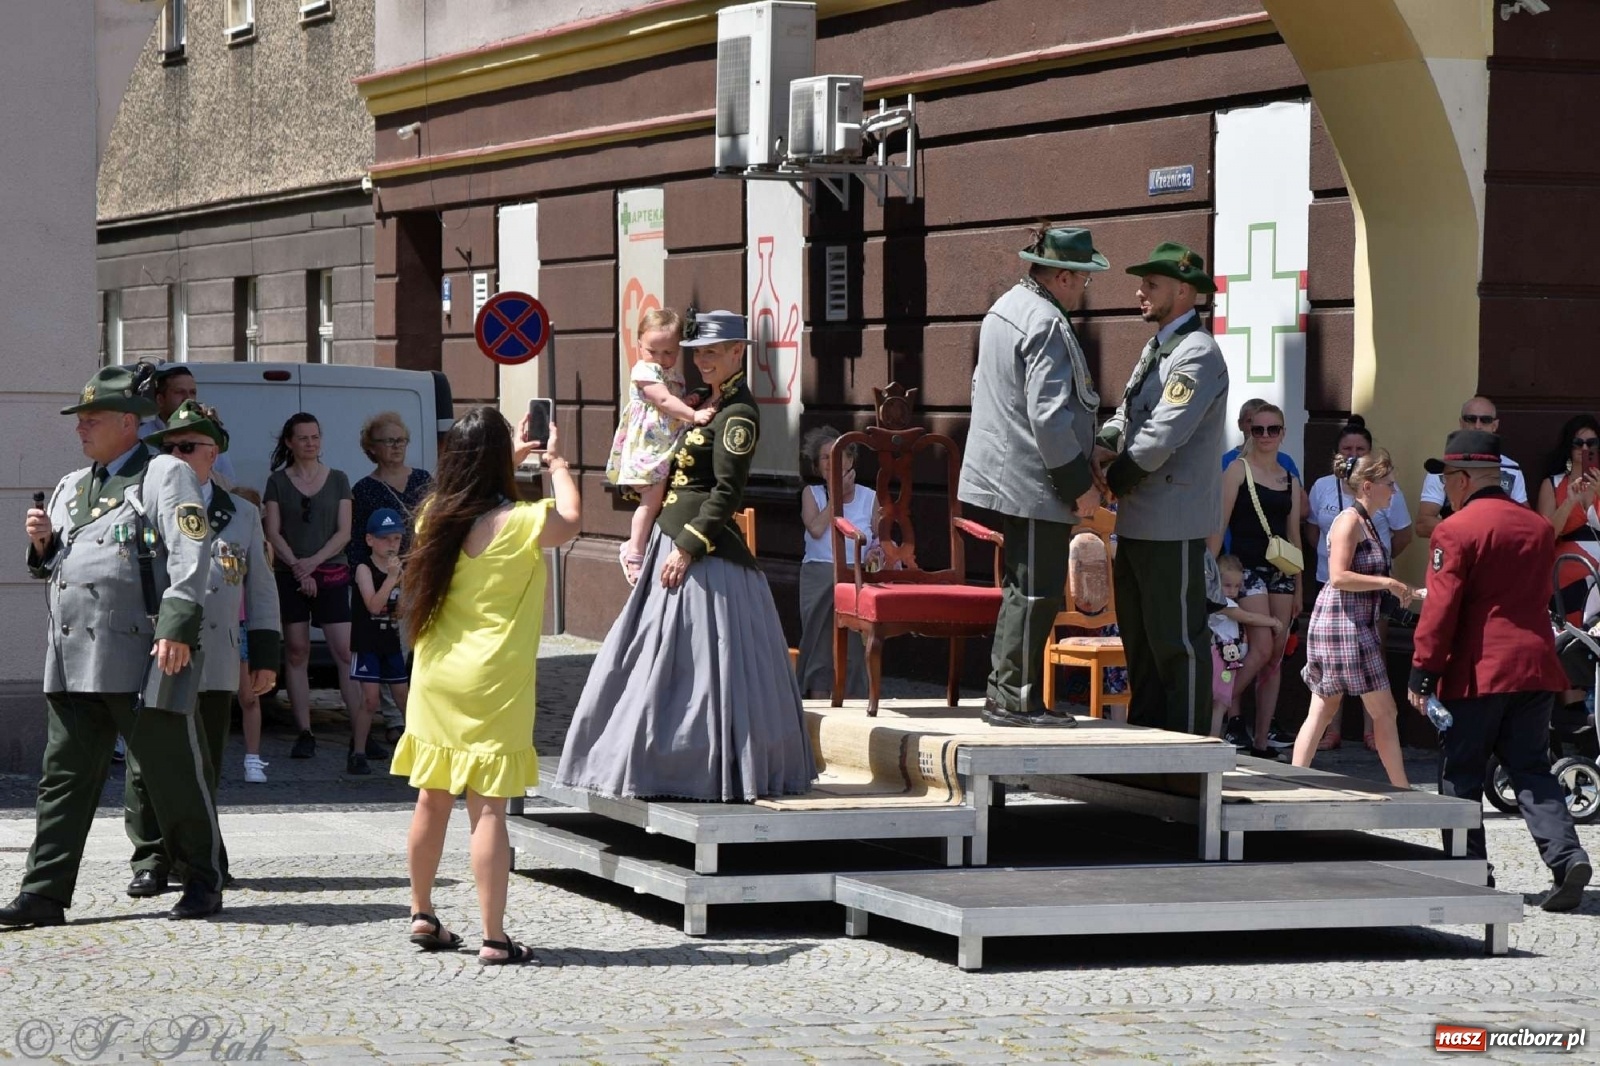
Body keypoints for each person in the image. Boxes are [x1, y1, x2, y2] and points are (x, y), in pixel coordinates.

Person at [557, 311, 816, 801]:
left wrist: (688, 547)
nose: (702, 362)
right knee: (651, 654)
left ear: (738, 352)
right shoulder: (701, 399)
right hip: (668, 537)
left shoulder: (738, 413)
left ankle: (698, 766)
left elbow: (726, 492)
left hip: (699, 552)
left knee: (704, 664)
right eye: (697, 353)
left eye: (712, 353)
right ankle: (648, 758)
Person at [0, 367, 223, 928]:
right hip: (71, 657)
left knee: (171, 772)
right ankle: (44, 892)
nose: (81, 428)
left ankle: (202, 879)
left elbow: (190, 552)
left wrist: (176, 627)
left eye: (91, 419)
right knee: (62, 780)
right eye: (80, 420)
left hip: (141, 652)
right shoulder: (72, 485)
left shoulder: (165, 473)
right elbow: (61, 564)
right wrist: (43, 546)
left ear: (129, 422)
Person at [393, 406, 580, 964]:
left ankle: (422, 912)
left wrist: (503, 457)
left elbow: (471, 490)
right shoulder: (525, 522)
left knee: (431, 798)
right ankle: (494, 937)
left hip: (437, 673)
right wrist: (556, 462)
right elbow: (572, 518)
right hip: (495, 677)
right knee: (489, 808)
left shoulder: (433, 515)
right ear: (500, 461)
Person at [1408, 429, 1591, 912]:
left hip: (1479, 671)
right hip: (1534, 666)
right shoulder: (1536, 527)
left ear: (1464, 479)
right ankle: (1567, 857)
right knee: (1531, 768)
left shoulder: (1456, 530)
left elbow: (1442, 609)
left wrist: (1423, 671)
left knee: (1461, 773)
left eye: (1447, 477)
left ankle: (1470, 873)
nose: (1445, 487)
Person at [123, 401, 281, 894]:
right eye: (168, 447)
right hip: (156, 649)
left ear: (213, 453)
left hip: (215, 654)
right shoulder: (142, 502)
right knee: (147, 762)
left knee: (204, 762)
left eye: (187, 446)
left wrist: (265, 656)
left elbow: (261, 589)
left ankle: (200, 855)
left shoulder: (242, 513)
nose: (176, 455)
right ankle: (151, 857)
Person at [959, 225, 1107, 727]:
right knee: (1036, 590)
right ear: (1063, 276)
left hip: (1012, 472)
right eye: (1083, 279)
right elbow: (1048, 417)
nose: (1083, 289)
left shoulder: (1006, 307)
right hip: (1035, 479)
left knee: (1023, 587)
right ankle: (1014, 699)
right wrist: (1079, 487)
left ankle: (1006, 693)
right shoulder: (1045, 320)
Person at [1095, 243, 1230, 736]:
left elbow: (1161, 435)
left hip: (1172, 522)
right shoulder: (1159, 347)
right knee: (1141, 644)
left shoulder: (1196, 353)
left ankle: (1187, 754)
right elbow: (1128, 415)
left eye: (1151, 284)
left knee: (1177, 646)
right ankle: (1147, 749)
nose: (1140, 292)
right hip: (1140, 518)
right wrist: (1102, 446)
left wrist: (1110, 480)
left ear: (1184, 291)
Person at [1291, 450, 1413, 787]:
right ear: (1368, 486)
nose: (1394, 490)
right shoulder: (1349, 521)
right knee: (1382, 712)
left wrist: (1404, 590)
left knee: (1323, 710)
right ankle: (1402, 789)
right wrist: (1387, 583)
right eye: (1389, 483)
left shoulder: (1367, 521)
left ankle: (1292, 781)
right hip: (1344, 625)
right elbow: (1339, 576)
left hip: (1354, 623)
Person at [262, 413, 365, 763]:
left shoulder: (338, 479)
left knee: (344, 651)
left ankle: (360, 733)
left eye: (315, 437)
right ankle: (305, 731)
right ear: (289, 442)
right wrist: (296, 565)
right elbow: (273, 531)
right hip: (289, 572)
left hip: (330, 571)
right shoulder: (277, 482)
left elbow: (344, 532)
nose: (310, 443)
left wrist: (314, 563)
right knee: (296, 650)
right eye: (303, 437)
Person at [1211, 402, 1303, 759]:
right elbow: (1219, 525)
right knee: (1261, 647)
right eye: (1258, 429)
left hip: (1281, 571)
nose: (1265, 435)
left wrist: (1299, 587)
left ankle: (1261, 741)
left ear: (1282, 433)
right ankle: (1217, 706)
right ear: (1249, 432)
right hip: (1245, 568)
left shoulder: (1289, 479)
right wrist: (1210, 574)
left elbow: (1294, 535)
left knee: (1275, 657)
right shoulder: (1237, 469)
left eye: (1272, 429)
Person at [607, 308, 717, 586]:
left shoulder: (673, 374)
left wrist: (688, 401)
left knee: (661, 497)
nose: (660, 358)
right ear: (639, 345)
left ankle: (645, 544)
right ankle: (633, 551)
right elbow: (664, 401)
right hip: (649, 446)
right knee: (651, 499)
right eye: (652, 351)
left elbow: (673, 401)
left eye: (668, 352)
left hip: (665, 444)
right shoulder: (644, 370)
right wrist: (693, 415)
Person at [351, 413, 432, 744]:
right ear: (371, 447)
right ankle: (394, 719)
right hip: (386, 580)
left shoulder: (423, 480)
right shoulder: (364, 489)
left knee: (420, 646)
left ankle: (423, 710)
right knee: (389, 645)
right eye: (389, 440)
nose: (397, 446)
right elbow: (358, 541)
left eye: (401, 440)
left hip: (422, 575)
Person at [795, 426, 878, 700]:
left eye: (839, 455)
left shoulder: (869, 497)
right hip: (819, 574)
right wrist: (836, 496)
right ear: (817, 466)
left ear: (850, 459)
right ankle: (816, 702)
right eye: (825, 457)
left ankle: (853, 701)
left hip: (856, 575)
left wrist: (876, 554)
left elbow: (880, 539)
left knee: (854, 647)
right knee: (819, 643)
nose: (832, 462)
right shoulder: (812, 494)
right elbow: (816, 529)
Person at [1415, 396, 1527, 538]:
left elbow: (1524, 520)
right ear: (1461, 423)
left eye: (1485, 420)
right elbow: (1423, 525)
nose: (1478, 426)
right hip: (1456, 546)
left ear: (1495, 425)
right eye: (1471, 419)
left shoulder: (1512, 469)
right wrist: (1472, 531)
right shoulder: (1444, 468)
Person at [350, 509, 409, 774]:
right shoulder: (364, 569)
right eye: (385, 539)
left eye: (396, 539)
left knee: (403, 697)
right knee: (370, 700)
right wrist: (391, 579)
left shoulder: (398, 570)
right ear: (370, 540)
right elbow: (373, 605)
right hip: (367, 641)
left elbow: (402, 608)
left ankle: (416, 751)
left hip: (390, 640)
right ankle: (358, 751)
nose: (391, 545)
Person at [1535, 414, 1600, 629]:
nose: (1585, 449)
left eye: (1591, 443)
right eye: (1578, 443)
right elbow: (1545, 535)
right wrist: (1569, 502)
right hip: (1566, 571)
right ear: (1568, 447)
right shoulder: (1553, 484)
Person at [1208, 555, 1282, 740]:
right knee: (1219, 704)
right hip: (1221, 659)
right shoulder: (1221, 603)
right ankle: (1212, 741)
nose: (1232, 591)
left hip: (1226, 657)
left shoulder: (1221, 602)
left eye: (1237, 586)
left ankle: (1210, 739)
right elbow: (1248, 617)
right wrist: (1273, 621)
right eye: (1227, 585)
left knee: (1217, 702)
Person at [229, 486, 273, 783]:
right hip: (221, 622)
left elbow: (262, 584)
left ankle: (253, 759)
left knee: (249, 696)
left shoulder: (262, 545)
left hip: (242, 623)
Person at [137, 364, 239, 486]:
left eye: (192, 392)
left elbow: (229, 484)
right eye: (179, 392)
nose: (188, 399)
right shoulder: (140, 436)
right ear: (160, 400)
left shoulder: (208, 436)